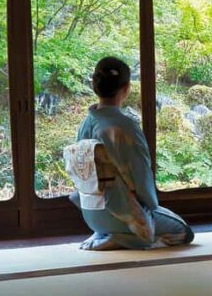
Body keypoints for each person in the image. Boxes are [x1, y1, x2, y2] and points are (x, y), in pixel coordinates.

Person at [69, 56, 194, 251]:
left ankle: (104, 233)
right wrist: (151, 205)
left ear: (95, 86)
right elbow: (141, 177)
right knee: (183, 231)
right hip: (123, 215)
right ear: (126, 88)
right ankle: (124, 238)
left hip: (91, 213)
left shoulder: (85, 124)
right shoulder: (125, 127)